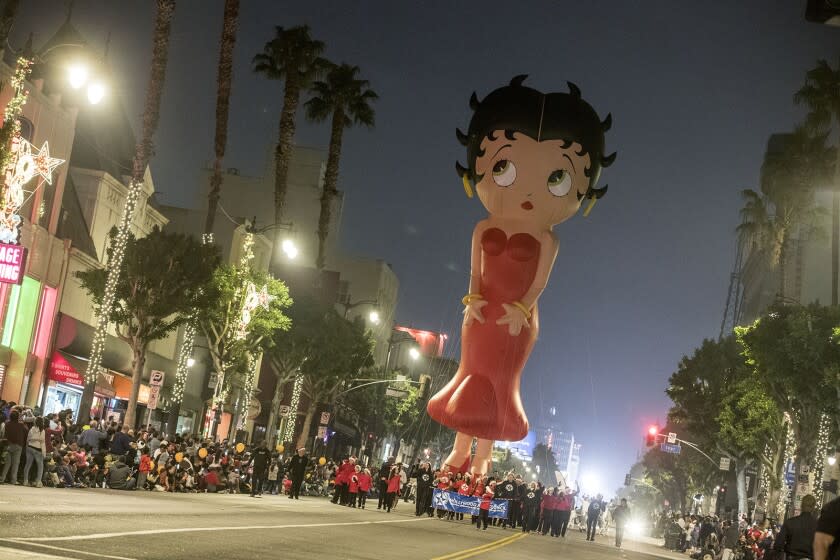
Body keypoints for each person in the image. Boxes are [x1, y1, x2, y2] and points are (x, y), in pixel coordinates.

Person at [427, 77, 615, 476]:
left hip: (517, 317)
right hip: (480, 314)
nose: (530, 189)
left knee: (498, 380)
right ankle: (460, 452)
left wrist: (523, 309)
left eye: (556, 179)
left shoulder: (547, 238)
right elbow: (474, 272)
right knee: (472, 372)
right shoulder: (481, 227)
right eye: (503, 167)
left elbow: (541, 281)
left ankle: (483, 457)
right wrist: (473, 298)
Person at [0, 410, 28, 484]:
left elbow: (3, 433)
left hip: (8, 444)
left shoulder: (6, 424)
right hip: (18, 445)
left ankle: (2, 478)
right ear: (17, 417)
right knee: (15, 464)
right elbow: (26, 431)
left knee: (7, 463)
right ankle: (13, 480)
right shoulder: (21, 425)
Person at [24, 416, 46, 487]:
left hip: (30, 447)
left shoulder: (32, 429)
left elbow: (28, 439)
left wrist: (27, 447)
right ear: (42, 422)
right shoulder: (42, 430)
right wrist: (44, 452)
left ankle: (25, 481)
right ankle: (38, 482)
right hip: (38, 449)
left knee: (27, 465)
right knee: (40, 466)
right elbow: (42, 442)